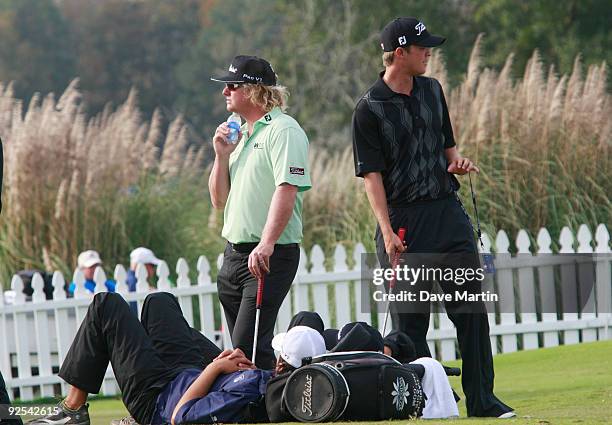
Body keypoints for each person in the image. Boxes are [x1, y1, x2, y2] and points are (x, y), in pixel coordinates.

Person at [351, 17, 514, 418]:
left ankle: (483, 400)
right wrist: (387, 232)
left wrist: (457, 164)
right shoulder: (369, 108)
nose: (429, 53)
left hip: (447, 213)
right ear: (400, 52)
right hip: (404, 222)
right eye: (423, 47)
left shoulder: (432, 90)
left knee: (471, 313)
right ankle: (427, 400)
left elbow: (447, 148)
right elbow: (372, 180)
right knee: (410, 328)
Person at [26, 292, 325, 425]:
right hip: (186, 374)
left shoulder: (250, 392)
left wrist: (215, 367)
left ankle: (72, 411)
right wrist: (230, 364)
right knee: (160, 302)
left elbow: (179, 416)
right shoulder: (271, 383)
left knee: (107, 305)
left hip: (157, 399)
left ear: (282, 362)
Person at [208, 55, 311, 369]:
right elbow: (219, 200)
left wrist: (266, 244)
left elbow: (287, 189)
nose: (225, 91)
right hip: (233, 257)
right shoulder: (240, 135)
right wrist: (221, 156)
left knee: (243, 350)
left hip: (269, 254)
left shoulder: (284, 131)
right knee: (253, 351)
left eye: (232, 85)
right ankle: (270, 406)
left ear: (253, 90)